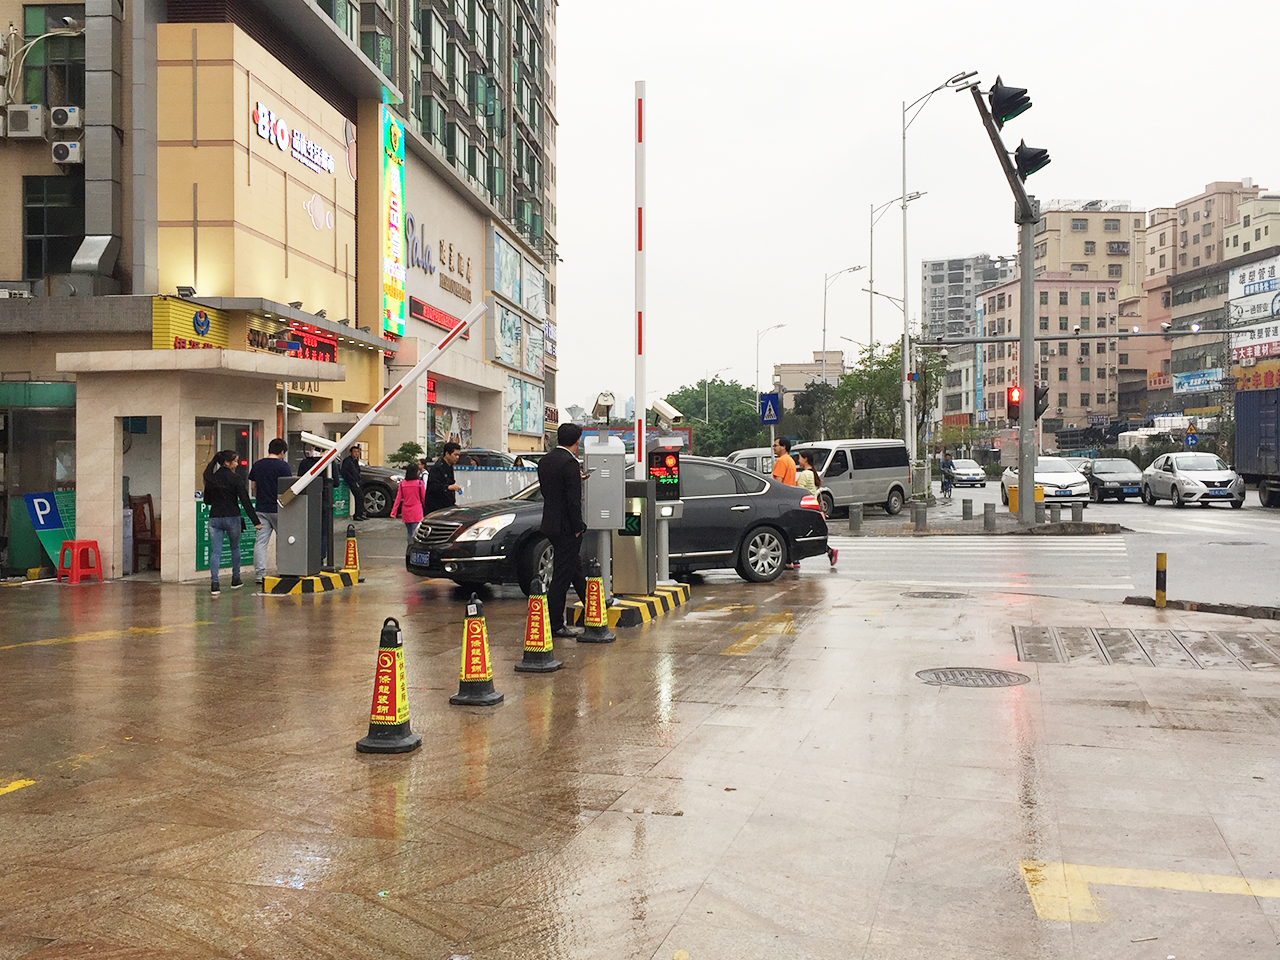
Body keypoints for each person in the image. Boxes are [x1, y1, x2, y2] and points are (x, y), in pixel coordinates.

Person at [538, 422, 588, 638]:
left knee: (573, 567)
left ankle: (594, 605)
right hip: (567, 527)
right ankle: (555, 623)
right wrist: (578, 527)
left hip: (550, 523)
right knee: (561, 576)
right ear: (577, 441)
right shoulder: (570, 463)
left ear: (558, 439)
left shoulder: (545, 461)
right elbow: (573, 501)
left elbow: (550, 491)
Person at [203, 450, 260, 596]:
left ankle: (215, 584)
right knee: (235, 548)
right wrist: (255, 521)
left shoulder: (211, 478)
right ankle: (235, 579)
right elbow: (245, 500)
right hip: (232, 517)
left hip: (215, 517)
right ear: (227, 463)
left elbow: (207, 500)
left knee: (216, 551)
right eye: (235, 461)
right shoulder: (235, 478)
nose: (237, 464)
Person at [248, 438, 293, 583]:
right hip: (279, 509)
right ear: (282, 452)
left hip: (261, 508)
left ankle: (260, 574)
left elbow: (253, 486)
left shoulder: (257, 465)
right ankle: (284, 569)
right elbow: (288, 489)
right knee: (284, 540)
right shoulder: (283, 466)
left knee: (261, 542)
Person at [795, 451, 838, 567]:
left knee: (802, 535)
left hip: (805, 508)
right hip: (813, 507)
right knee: (809, 535)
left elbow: (799, 492)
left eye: (800, 458)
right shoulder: (812, 473)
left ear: (805, 459)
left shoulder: (805, 474)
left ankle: (796, 559)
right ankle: (829, 551)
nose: (798, 461)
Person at [390, 463, 427, 541]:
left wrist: (394, 512)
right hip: (417, 511)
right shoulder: (420, 483)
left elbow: (398, 498)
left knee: (409, 532)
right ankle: (414, 547)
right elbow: (423, 498)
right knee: (416, 532)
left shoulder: (402, 484)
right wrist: (426, 508)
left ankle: (409, 546)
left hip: (406, 511)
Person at [425, 442, 463, 515]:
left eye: (458, 455)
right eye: (455, 455)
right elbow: (433, 486)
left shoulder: (450, 467)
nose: (457, 457)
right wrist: (448, 487)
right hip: (436, 509)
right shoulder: (437, 468)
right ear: (447, 454)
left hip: (448, 507)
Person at [342, 445, 366, 520]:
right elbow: (345, 471)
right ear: (351, 452)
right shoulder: (347, 461)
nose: (356, 453)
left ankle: (360, 513)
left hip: (357, 481)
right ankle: (357, 515)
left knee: (361, 497)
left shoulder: (355, 461)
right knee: (359, 497)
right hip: (352, 481)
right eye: (355, 452)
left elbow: (357, 471)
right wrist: (352, 479)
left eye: (357, 452)